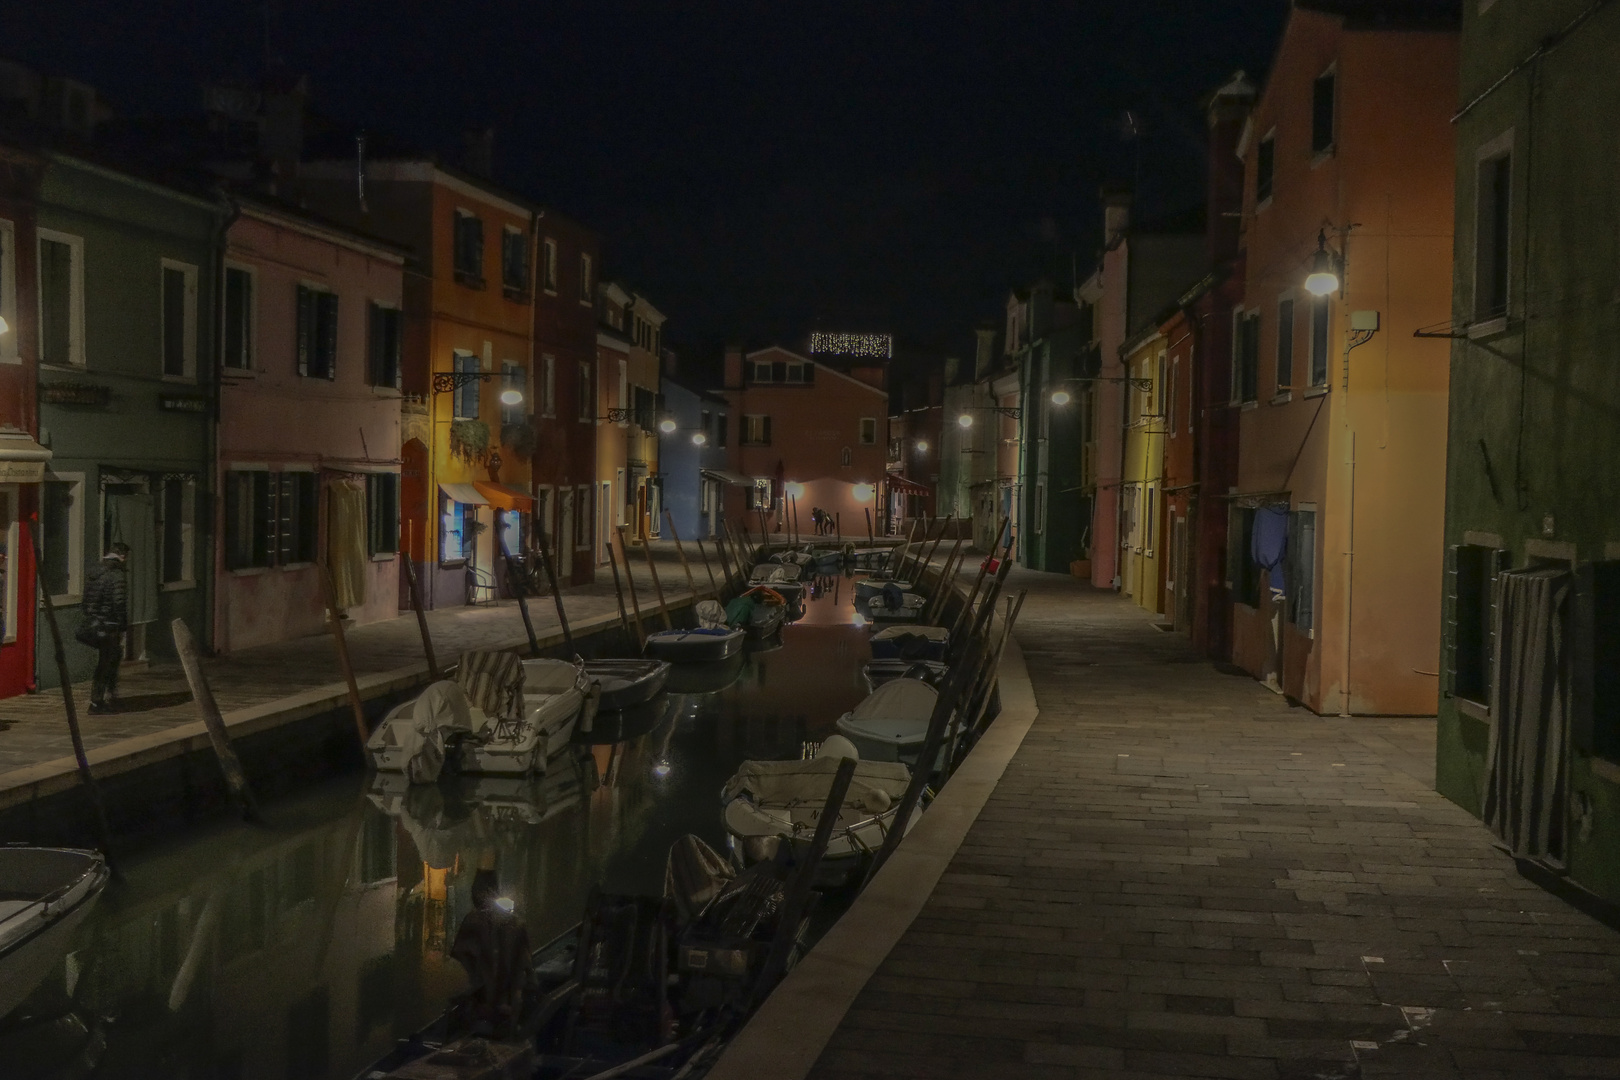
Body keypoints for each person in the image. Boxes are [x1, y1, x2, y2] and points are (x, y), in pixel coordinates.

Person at [449, 869, 534, 1038]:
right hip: (512, 1007)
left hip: (483, 1010)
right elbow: (528, 971)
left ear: (475, 892)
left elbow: (459, 969)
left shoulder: (473, 922)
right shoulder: (517, 922)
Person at [81, 543, 130, 714]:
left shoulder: (95, 571)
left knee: (108, 659)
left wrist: (93, 615)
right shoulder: (116, 574)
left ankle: (106, 697)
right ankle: (98, 702)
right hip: (110, 625)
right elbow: (119, 602)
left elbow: (85, 602)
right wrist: (122, 625)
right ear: (122, 555)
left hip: (96, 624)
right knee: (108, 661)